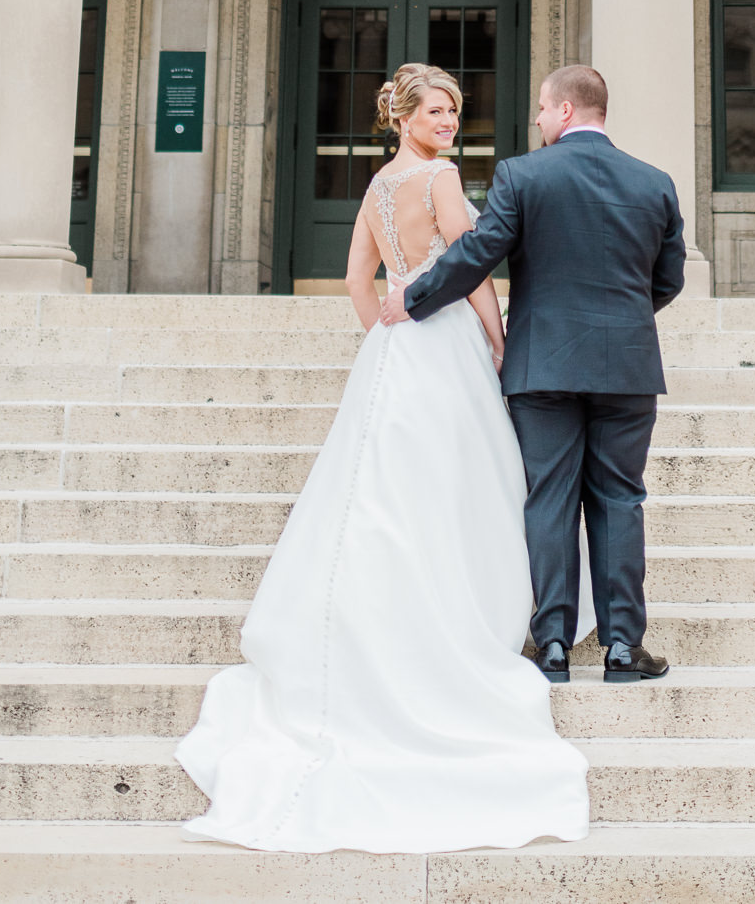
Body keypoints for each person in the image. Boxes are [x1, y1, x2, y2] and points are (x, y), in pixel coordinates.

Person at [175, 62, 589, 854]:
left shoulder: (373, 190)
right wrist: (499, 343)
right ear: (405, 118)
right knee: (462, 477)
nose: (448, 123)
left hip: (397, 350)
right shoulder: (439, 179)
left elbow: (357, 281)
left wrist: (383, 337)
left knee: (392, 479)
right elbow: (470, 275)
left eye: (455, 111)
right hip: (448, 344)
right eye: (436, 111)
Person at [381, 64, 687, 686]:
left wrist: (413, 298)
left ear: (567, 111)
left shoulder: (522, 174)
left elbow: (474, 255)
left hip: (541, 363)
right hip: (626, 366)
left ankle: (550, 645)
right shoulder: (655, 183)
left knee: (548, 497)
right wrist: (622, 320)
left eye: (544, 111)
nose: (540, 121)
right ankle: (624, 649)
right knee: (620, 499)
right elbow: (669, 278)